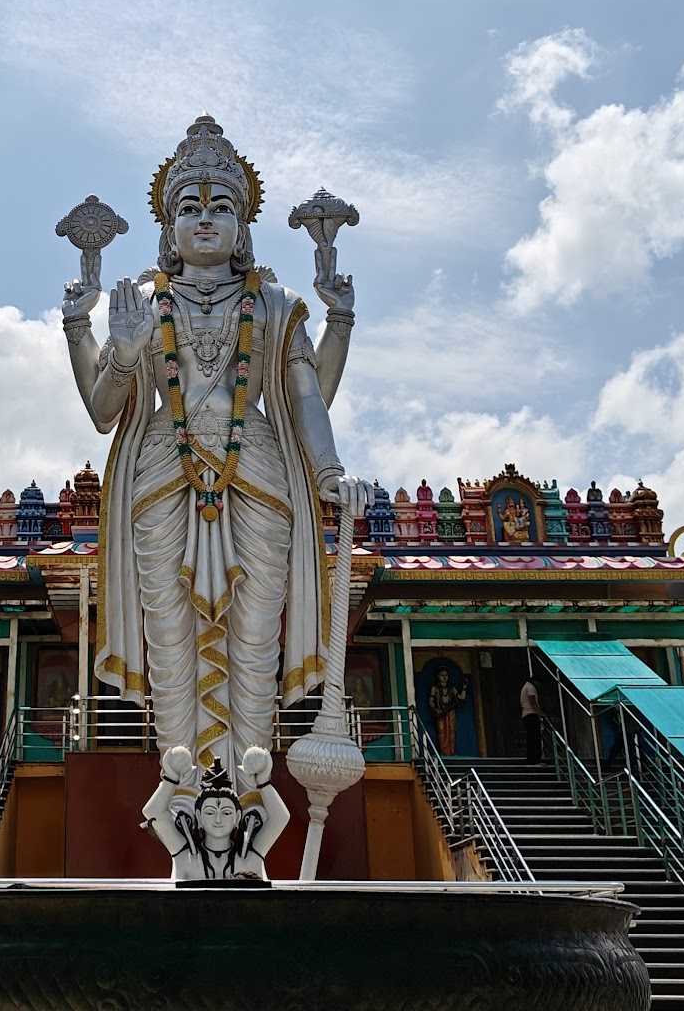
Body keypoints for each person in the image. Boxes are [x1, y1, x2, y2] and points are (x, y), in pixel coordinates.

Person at [62, 116, 360, 775]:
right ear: (167, 228)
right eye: (188, 208)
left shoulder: (275, 303)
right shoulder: (141, 300)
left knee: (256, 627)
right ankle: (181, 770)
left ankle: (249, 773)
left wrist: (331, 470)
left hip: (257, 467)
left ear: (243, 228)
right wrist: (118, 348)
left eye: (220, 207)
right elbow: (104, 413)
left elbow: (305, 397)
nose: (204, 219)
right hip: (159, 471)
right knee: (168, 626)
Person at [142, 744, 290, 881]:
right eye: (210, 813)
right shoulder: (185, 853)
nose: (218, 820)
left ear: (237, 817)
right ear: (198, 816)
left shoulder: (251, 854)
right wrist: (171, 779)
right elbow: (153, 813)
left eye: (226, 813)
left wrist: (263, 782)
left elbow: (281, 818)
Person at [427, 666, 467, 754]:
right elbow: (431, 700)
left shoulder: (451, 688)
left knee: (451, 730)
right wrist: (435, 709)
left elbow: (460, 698)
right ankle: (444, 751)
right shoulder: (435, 688)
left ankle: (451, 751)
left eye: (446, 675)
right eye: (442, 675)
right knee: (442, 731)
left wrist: (464, 689)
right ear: (438, 676)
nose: (444, 677)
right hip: (441, 711)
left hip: (450, 710)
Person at [520, 677, 542, 764]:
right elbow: (532, 702)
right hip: (531, 714)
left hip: (527, 715)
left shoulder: (525, 686)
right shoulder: (530, 687)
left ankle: (532, 759)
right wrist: (541, 712)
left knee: (531, 738)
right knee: (535, 738)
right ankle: (535, 759)